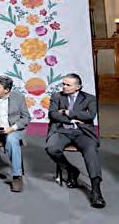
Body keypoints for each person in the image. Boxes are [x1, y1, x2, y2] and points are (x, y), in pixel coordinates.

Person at [45, 73, 105, 208]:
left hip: (82, 132)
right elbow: (52, 114)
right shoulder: (56, 96)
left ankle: (96, 190)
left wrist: (67, 112)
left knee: (91, 151)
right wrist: (71, 120)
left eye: (68, 85)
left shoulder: (90, 98)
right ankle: (71, 170)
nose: (64, 87)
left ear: (78, 87)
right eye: (63, 84)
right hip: (62, 130)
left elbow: (90, 116)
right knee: (51, 148)